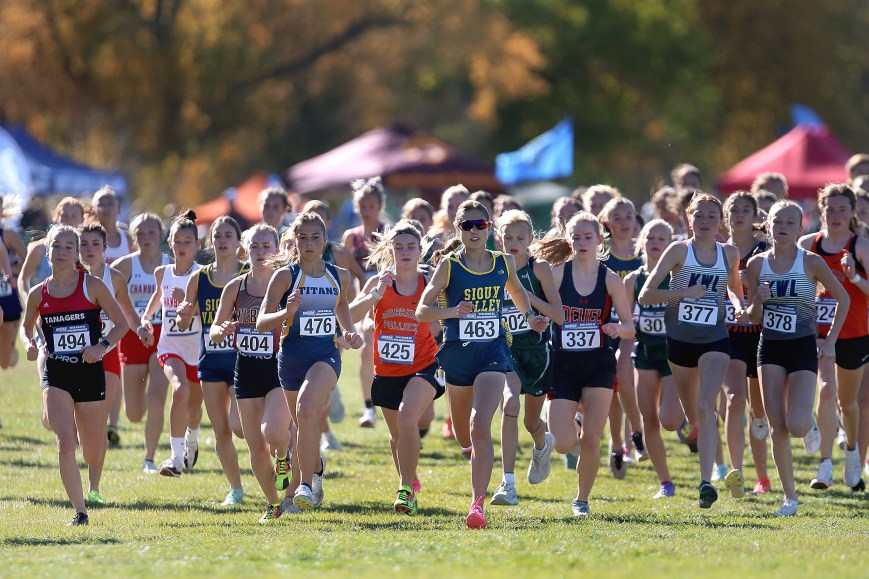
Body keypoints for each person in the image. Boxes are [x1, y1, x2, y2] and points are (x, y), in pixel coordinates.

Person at [416, 199, 548, 529]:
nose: (474, 231)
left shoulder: (503, 262)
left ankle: (477, 504)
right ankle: (473, 461)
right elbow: (421, 311)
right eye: (467, 225)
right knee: (465, 437)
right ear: (457, 229)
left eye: (481, 225)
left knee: (480, 423)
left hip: (493, 353)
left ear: (489, 228)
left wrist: (529, 317)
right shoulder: (449, 266)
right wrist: (451, 312)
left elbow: (517, 291)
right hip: (458, 356)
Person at [638, 194, 746, 509]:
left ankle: (706, 482)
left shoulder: (729, 253)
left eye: (712, 216)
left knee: (706, 404)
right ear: (689, 218)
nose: (705, 221)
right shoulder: (678, 251)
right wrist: (684, 292)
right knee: (693, 417)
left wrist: (739, 305)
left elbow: (733, 287)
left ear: (721, 220)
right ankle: (708, 453)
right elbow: (646, 295)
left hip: (715, 340)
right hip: (680, 344)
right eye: (699, 215)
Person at [19, 225, 129, 525]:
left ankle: (89, 457)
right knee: (66, 443)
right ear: (48, 251)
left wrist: (101, 347)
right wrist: (29, 344)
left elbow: (121, 324)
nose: (62, 252)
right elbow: (26, 328)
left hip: (90, 374)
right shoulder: (38, 293)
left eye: (69, 246)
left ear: (77, 252)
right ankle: (80, 511)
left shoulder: (92, 286)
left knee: (92, 453)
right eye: (57, 246)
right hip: (57, 373)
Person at [747, 200, 850, 515]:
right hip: (770, 348)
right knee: (777, 426)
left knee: (796, 424)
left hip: (803, 346)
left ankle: (809, 423)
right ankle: (790, 498)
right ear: (769, 225)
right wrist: (759, 301)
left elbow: (843, 299)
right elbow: (753, 317)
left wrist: (830, 341)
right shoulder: (756, 265)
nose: (783, 226)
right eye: (777, 221)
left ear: (800, 228)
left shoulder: (811, 262)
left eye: (790, 222)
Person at [258, 212, 363, 511]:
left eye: (315, 237)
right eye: (303, 237)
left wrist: (349, 331)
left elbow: (342, 303)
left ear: (325, 240)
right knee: (302, 425)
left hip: (325, 356)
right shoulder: (285, 277)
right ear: (294, 241)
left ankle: (304, 485)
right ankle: (316, 467)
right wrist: (286, 313)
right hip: (291, 359)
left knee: (306, 408)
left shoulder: (339, 275)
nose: (309, 243)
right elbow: (263, 322)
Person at [533, 211, 635, 516]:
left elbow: (630, 327)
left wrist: (617, 328)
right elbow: (536, 306)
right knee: (563, 443)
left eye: (588, 237)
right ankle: (574, 423)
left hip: (598, 365)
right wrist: (538, 317)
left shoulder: (610, 279)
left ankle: (582, 500)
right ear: (568, 240)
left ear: (600, 239)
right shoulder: (556, 275)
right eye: (576, 237)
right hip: (563, 364)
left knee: (592, 438)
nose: (582, 242)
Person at [349, 220, 444, 514]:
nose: (405, 252)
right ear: (390, 250)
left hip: (424, 364)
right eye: (399, 247)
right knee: (397, 435)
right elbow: (351, 316)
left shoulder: (430, 282)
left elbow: (443, 320)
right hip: (387, 369)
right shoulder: (378, 282)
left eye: (410, 247)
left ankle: (404, 490)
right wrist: (375, 296)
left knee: (407, 419)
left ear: (420, 251)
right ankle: (409, 480)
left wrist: (437, 324)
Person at [210, 224, 298, 522]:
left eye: (266, 246)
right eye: (254, 247)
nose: (260, 252)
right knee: (255, 446)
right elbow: (215, 329)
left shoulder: (286, 284)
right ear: (244, 251)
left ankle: (284, 456)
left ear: (278, 249)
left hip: (278, 368)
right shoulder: (235, 288)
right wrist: (222, 330)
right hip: (246, 370)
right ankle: (273, 504)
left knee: (272, 431)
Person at [798, 184, 869, 490]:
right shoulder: (807, 244)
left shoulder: (860, 246)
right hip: (818, 334)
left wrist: (854, 276)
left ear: (852, 212)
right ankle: (825, 465)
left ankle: (852, 453)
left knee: (848, 404)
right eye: (830, 208)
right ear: (821, 209)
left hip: (853, 333)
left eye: (843, 209)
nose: (836, 214)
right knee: (826, 391)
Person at [491, 210, 562, 506]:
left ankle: (542, 446)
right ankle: (507, 483)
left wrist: (524, 297)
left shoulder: (539, 268)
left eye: (520, 238)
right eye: (508, 237)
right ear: (499, 238)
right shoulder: (492, 267)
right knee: (509, 403)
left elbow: (559, 315)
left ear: (531, 239)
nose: (513, 243)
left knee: (532, 422)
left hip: (536, 352)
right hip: (504, 349)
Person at [176, 217, 248, 503]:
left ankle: (282, 451)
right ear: (210, 241)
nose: (222, 240)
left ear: (238, 241)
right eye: (217, 235)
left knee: (240, 426)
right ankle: (236, 489)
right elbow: (183, 323)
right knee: (221, 431)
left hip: (244, 361)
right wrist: (183, 316)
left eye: (228, 235)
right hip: (210, 362)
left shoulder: (248, 273)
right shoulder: (199, 278)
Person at [624, 219, 687, 498]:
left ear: (671, 244)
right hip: (646, 354)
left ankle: (689, 417)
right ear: (642, 241)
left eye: (662, 238)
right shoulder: (632, 280)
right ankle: (665, 483)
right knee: (648, 420)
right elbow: (627, 321)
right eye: (650, 237)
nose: (655, 243)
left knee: (669, 420)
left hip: (674, 355)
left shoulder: (678, 277)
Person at [140, 211, 203, 477]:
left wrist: (187, 301)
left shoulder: (203, 275)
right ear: (169, 243)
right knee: (179, 389)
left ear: (197, 244)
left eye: (187, 242)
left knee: (195, 410)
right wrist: (146, 317)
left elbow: (210, 312)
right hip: (170, 347)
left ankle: (192, 437)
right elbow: (158, 295)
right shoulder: (162, 272)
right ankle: (175, 459)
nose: (181, 247)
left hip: (197, 351)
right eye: (177, 241)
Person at [112, 213, 172, 472]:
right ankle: (144, 410)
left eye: (151, 233)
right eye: (141, 234)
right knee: (134, 414)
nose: (146, 238)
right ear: (134, 238)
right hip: (132, 336)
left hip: (164, 336)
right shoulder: (124, 266)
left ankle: (149, 458)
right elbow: (107, 295)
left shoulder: (171, 265)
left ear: (161, 235)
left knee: (157, 397)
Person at [720, 192, 770, 498]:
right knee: (734, 398)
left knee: (759, 411)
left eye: (745, 210)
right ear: (726, 216)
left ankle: (762, 477)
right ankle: (735, 471)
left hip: (762, 334)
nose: (739, 215)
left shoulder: (766, 252)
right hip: (729, 334)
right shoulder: (717, 251)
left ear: (755, 216)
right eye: (734, 210)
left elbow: (778, 288)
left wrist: (750, 282)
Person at [78, 223, 142, 455]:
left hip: (107, 352)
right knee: (78, 420)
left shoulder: (114, 277)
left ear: (105, 247)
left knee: (99, 418)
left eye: (95, 244)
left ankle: (95, 471)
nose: (89, 249)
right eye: (84, 244)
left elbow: (128, 312)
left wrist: (140, 329)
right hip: (75, 354)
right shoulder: (70, 277)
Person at [599, 197, 647, 474]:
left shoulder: (644, 251)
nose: (624, 222)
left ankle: (636, 434)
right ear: (606, 222)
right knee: (612, 390)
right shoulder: (600, 254)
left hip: (637, 329)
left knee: (624, 379)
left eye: (629, 216)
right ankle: (617, 445)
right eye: (617, 218)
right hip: (607, 328)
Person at [341, 177, 388, 428]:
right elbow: (346, 272)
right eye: (362, 206)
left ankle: (396, 401)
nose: (366, 211)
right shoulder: (351, 237)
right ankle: (369, 407)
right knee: (366, 348)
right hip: (363, 299)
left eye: (371, 206)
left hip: (386, 298)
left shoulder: (388, 233)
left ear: (380, 206)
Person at [0, 194, 27, 369]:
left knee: (5, 362)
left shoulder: (7, 234)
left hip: (8, 298)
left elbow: (29, 262)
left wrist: (8, 272)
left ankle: (9, 351)